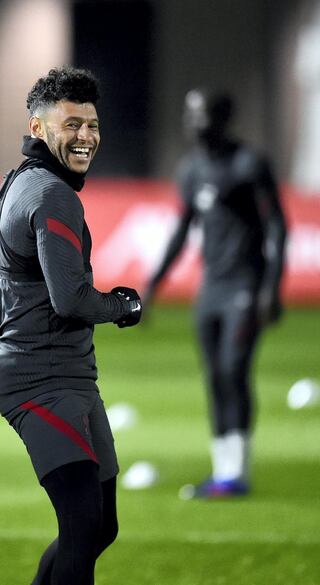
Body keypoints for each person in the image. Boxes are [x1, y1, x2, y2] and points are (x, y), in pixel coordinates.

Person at [0, 67, 142, 585]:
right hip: (39, 383)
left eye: (92, 125)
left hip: (70, 377)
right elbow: (70, 300)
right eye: (71, 125)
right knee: (82, 524)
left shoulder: (12, 189)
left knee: (100, 526)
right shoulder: (51, 195)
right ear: (38, 127)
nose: (86, 137)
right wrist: (123, 306)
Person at [145, 89, 287, 498]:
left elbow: (277, 227)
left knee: (234, 370)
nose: (193, 124)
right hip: (211, 289)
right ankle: (223, 471)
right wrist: (155, 284)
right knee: (214, 378)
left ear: (222, 119)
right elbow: (181, 229)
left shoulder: (249, 164)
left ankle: (237, 473)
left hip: (245, 285)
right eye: (190, 116)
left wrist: (270, 288)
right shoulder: (190, 169)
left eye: (201, 116)